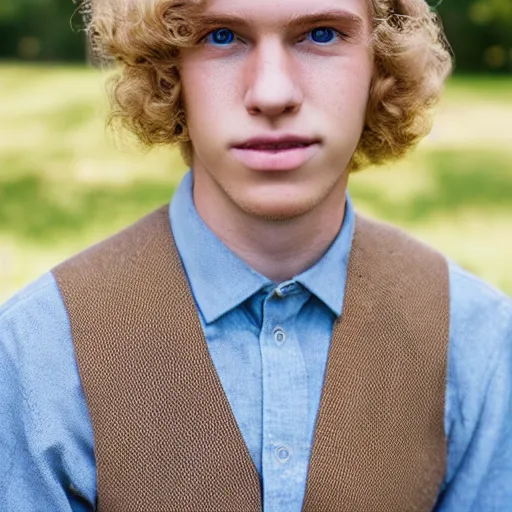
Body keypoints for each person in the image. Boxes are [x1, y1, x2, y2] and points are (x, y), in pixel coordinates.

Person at [1, 0, 511, 510]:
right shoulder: (39, 352)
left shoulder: (474, 341)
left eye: (323, 35)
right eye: (222, 36)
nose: (272, 93)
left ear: (379, 62)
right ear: (166, 65)